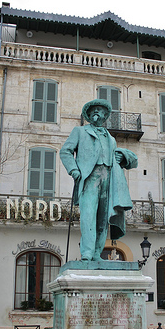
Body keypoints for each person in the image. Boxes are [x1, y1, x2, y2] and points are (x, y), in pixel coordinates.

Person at [60, 99, 138, 261]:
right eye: (93, 110)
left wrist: (120, 156)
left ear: (105, 116)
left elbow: (113, 157)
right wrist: (74, 169)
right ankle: (87, 253)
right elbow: (65, 151)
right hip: (89, 178)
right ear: (88, 115)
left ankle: (96, 253)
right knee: (88, 216)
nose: (96, 112)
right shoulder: (79, 131)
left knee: (103, 219)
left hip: (108, 179)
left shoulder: (110, 138)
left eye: (100, 110)